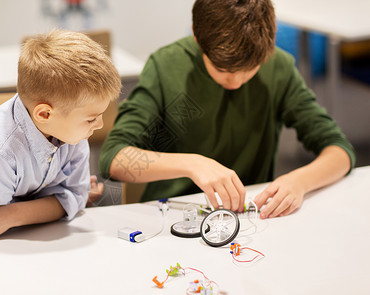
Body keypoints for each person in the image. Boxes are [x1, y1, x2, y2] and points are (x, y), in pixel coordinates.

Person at [99, 0, 355, 219]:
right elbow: (114, 159)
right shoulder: (166, 66)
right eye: (221, 69)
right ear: (197, 37)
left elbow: (338, 150)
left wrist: (300, 181)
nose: (234, 82)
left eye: (249, 70)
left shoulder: (278, 68)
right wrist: (191, 164)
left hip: (249, 217)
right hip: (174, 217)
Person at [0, 30, 121, 238]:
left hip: (18, 233)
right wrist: (52, 204)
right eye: (91, 118)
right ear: (44, 114)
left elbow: (76, 196)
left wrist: (10, 215)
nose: (99, 125)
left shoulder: (72, 131)